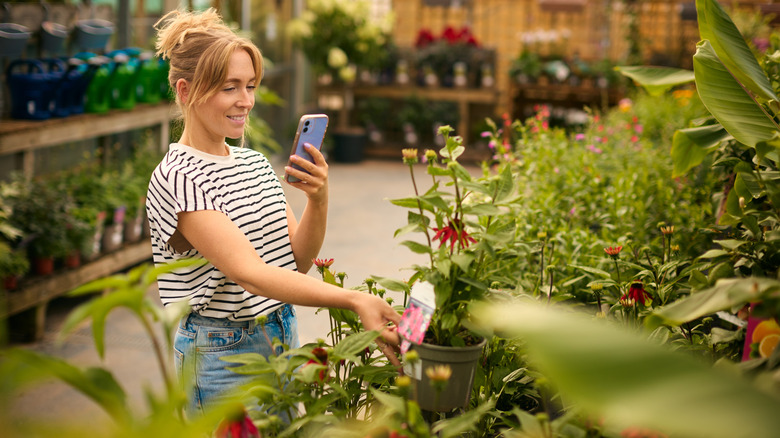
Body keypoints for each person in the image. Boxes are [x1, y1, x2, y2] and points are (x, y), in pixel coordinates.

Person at [146, 8, 400, 416]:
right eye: (230, 87)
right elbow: (251, 274)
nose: (245, 101)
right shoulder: (178, 176)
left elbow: (294, 263)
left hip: (281, 334)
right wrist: (353, 299)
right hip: (221, 355)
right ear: (185, 90)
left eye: (249, 86)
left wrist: (318, 198)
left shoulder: (252, 163)